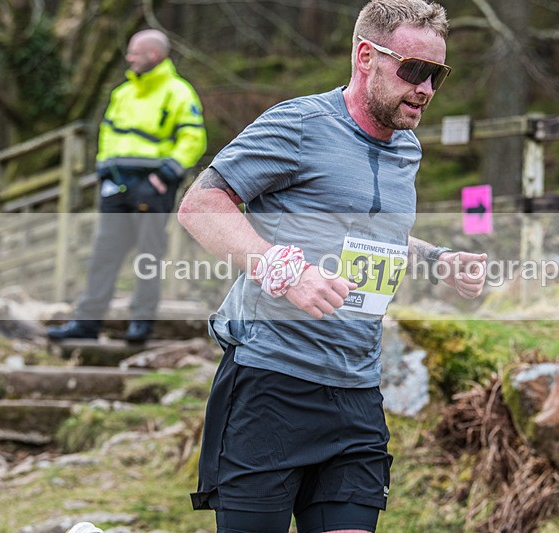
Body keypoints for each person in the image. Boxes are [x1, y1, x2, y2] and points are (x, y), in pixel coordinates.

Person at [178, 1, 486, 531]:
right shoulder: (300, 125)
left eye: (437, 74)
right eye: (414, 70)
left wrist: (438, 259)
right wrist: (282, 268)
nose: (426, 89)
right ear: (366, 56)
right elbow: (201, 205)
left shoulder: (407, 147)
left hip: (356, 392)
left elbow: (371, 235)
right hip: (270, 382)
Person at [47, 28, 206, 343]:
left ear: (154, 55)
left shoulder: (179, 92)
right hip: (116, 189)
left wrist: (165, 175)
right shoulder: (122, 93)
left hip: (153, 188)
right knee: (102, 256)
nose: (128, 57)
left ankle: (141, 325)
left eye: (135, 51)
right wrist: (104, 171)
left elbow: (193, 138)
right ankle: (87, 323)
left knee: (148, 258)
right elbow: (107, 136)